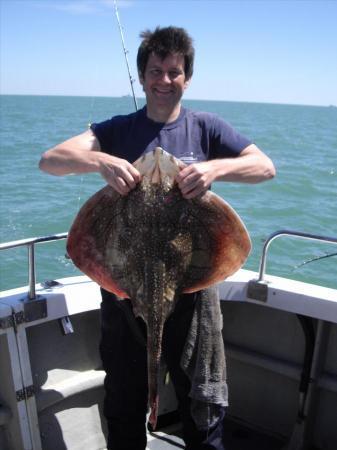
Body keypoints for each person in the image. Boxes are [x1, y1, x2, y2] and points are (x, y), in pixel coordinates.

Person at [39, 26, 275, 450]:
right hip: (124, 292)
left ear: (187, 77)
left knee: (202, 404)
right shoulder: (116, 130)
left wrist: (214, 170)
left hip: (192, 291)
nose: (164, 80)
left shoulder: (206, 127)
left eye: (174, 71)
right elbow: (50, 161)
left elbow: (264, 167)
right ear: (142, 74)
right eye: (155, 70)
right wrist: (100, 162)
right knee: (124, 403)